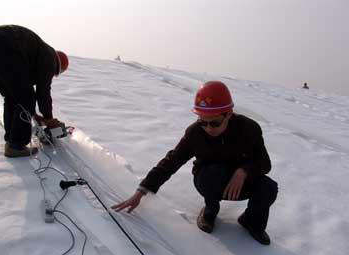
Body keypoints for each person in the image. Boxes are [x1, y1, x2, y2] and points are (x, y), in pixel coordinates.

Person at [112, 81, 278, 245]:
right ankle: (209, 211)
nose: (208, 128)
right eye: (202, 122)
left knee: (268, 187)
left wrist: (244, 170)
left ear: (229, 114)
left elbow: (265, 163)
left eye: (214, 123)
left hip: (238, 183)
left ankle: (251, 221)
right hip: (209, 180)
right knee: (214, 172)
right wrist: (141, 191)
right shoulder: (194, 133)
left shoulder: (249, 129)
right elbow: (171, 161)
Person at [0, 25, 68, 157]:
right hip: (1, 44)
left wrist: (33, 114)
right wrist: (49, 119)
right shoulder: (50, 58)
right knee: (26, 98)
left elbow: (20, 89)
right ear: (58, 66)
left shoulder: (38, 53)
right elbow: (43, 92)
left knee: (12, 97)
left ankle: (11, 141)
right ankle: (16, 146)